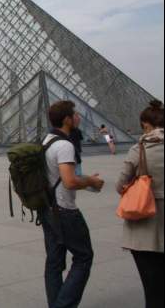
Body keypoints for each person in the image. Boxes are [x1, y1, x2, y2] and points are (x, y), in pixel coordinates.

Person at [40, 100, 104, 308]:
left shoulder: (47, 141)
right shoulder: (64, 145)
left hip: (47, 209)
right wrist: (92, 181)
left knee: (54, 262)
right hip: (65, 211)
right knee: (84, 257)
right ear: (67, 119)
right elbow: (69, 181)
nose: (78, 117)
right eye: (75, 114)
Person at [115, 100, 164, 308]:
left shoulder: (139, 149)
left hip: (145, 223)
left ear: (146, 125)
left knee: (152, 289)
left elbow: (120, 185)